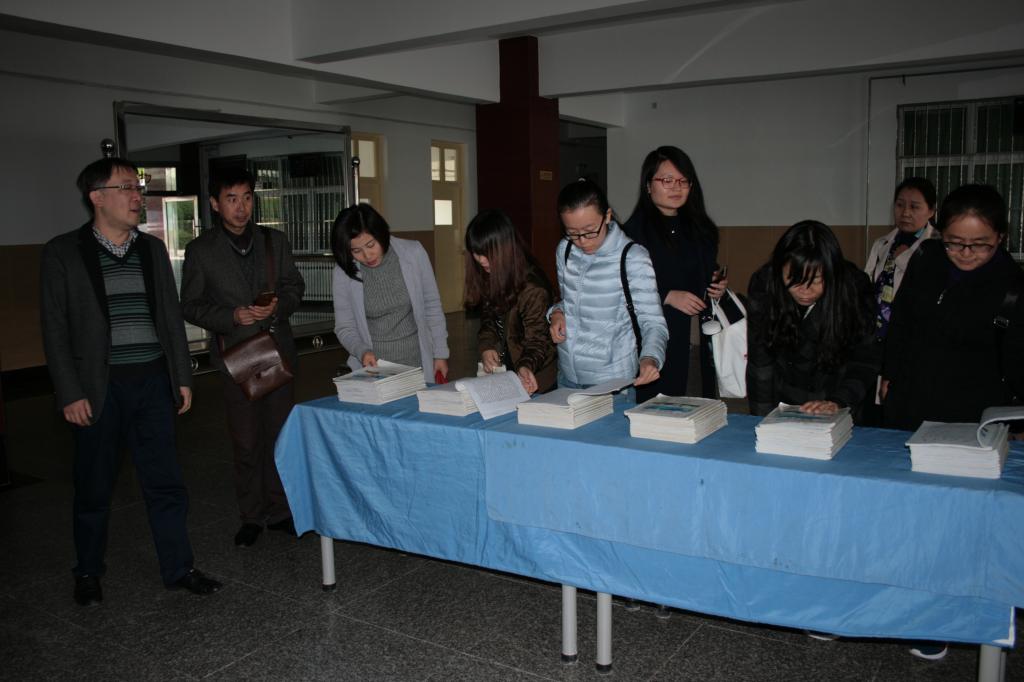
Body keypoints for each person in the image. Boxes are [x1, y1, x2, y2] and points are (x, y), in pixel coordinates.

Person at [40, 157, 221, 606]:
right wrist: (70, 392)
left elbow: (170, 318)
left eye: (138, 187)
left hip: (152, 382)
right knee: (94, 486)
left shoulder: (152, 249)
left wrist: (182, 377)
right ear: (97, 197)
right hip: (99, 387)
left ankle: (179, 568)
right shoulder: (64, 252)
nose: (137, 196)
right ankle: (88, 571)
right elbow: (54, 329)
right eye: (126, 188)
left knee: (166, 482)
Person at [181, 167, 305, 548]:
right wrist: (231, 316)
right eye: (231, 199)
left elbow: (294, 286)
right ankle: (251, 515)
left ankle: (281, 510)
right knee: (246, 440)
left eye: (247, 198)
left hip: (276, 352)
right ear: (215, 204)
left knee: (281, 436)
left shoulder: (274, 241)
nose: (241, 207)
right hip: (237, 357)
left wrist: (277, 306)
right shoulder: (201, 251)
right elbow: (191, 305)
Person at [882, 184, 1024, 432]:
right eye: (955, 242)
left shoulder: (1013, 286)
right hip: (909, 402)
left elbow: (1016, 362)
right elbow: (901, 320)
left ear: (1000, 237)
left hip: (974, 414)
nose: (966, 253)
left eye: (980, 244)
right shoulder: (926, 259)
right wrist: (889, 373)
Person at [746, 220, 880, 421]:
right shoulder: (765, 284)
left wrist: (838, 401)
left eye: (816, 281)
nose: (805, 291)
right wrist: (761, 420)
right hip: (785, 394)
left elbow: (865, 359)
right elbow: (760, 362)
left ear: (832, 272)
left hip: (837, 394)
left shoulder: (853, 288)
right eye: (794, 280)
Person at [623, 146, 726, 403]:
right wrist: (667, 295)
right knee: (660, 407)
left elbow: (704, 270)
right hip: (655, 336)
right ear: (649, 185)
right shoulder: (632, 233)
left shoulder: (702, 228)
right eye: (667, 180)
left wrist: (717, 284)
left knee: (698, 402)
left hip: (697, 332)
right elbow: (620, 287)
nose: (676, 187)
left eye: (683, 181)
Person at [548, 179, 668, 389]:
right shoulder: (565, 250)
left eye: (590, 230)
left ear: (608, 216)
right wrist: (556, 313)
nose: (582, 241)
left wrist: (650, 358)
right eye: (573, 233)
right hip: (567, 375)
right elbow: (569, 302)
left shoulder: (632, 257)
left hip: (612, 381)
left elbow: (653, 322)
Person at [331, 203, 449, 384]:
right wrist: (362, 351)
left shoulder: (413, 253)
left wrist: (440, 353)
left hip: (417, 360)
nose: (367, 255)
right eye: (356, 251)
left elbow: (432, 306)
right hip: (374, 368)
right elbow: (345, 327)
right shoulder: (343, 273)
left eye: (371, 245)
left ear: (381, 234)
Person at [464, 209, 557, 394]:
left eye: (487, 253)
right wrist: (487, 346)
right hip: (508, 371)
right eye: (476, 252)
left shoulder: (532, 288)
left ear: (505, 249)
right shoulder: (490, 274)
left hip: (536, 377)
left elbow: (539, 341)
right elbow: (489, 320)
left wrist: (525, 367)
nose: (481, 259)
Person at [865, 177, 939, 340]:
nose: (905, 213)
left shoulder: (939, 246)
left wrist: (905, 260)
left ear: (931, 211)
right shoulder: (882, 243)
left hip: (914, 336)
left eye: (914, 207)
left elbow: (933, 290)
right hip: (877, 332)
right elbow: (868, 282)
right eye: (900, 205)